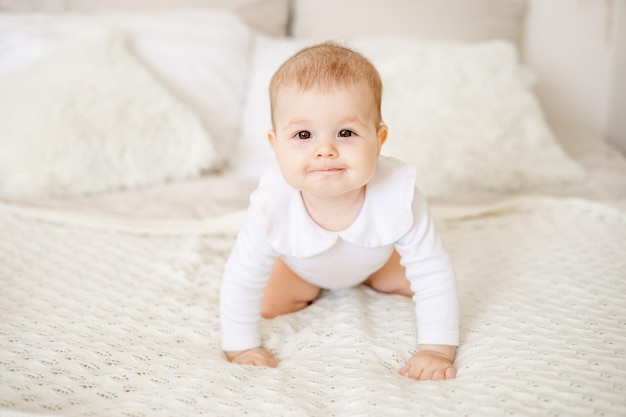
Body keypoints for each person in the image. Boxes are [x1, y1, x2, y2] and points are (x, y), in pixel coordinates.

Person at [220, 42, 459, 381]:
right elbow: (241, 277)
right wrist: (241, 347)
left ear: (379, 139)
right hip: (300, 269)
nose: (325, 150)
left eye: (346, 133)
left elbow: (433, 270)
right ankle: (309, 287)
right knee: (266, 305)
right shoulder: (270, 205)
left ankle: (375, 278)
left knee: (431, 287)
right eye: (303, 134)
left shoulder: (399, 196)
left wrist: (436, 349)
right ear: (275, 146)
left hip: (379, 261)